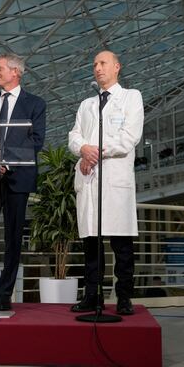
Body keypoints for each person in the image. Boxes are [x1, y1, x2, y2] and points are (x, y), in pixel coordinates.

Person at [68, 50, 144, 315]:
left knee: (121, 244)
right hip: (89, 178)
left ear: (117, 67)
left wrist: (93, 151)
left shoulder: (131, 97)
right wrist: (82, 150)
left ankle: (124, 297)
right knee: (91, 243)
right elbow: (74, 136)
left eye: (103, 63)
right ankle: (93, 296)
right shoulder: (86, 104)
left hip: (115, 179)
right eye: (95, 65)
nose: (98, 68)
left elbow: (128, 138)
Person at [0, 53, 46, 311]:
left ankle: (3, 294)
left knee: (13, 238)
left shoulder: (35, 104)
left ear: (15, 72)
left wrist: (5, 162)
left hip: (18, 178)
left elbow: (36, 140)